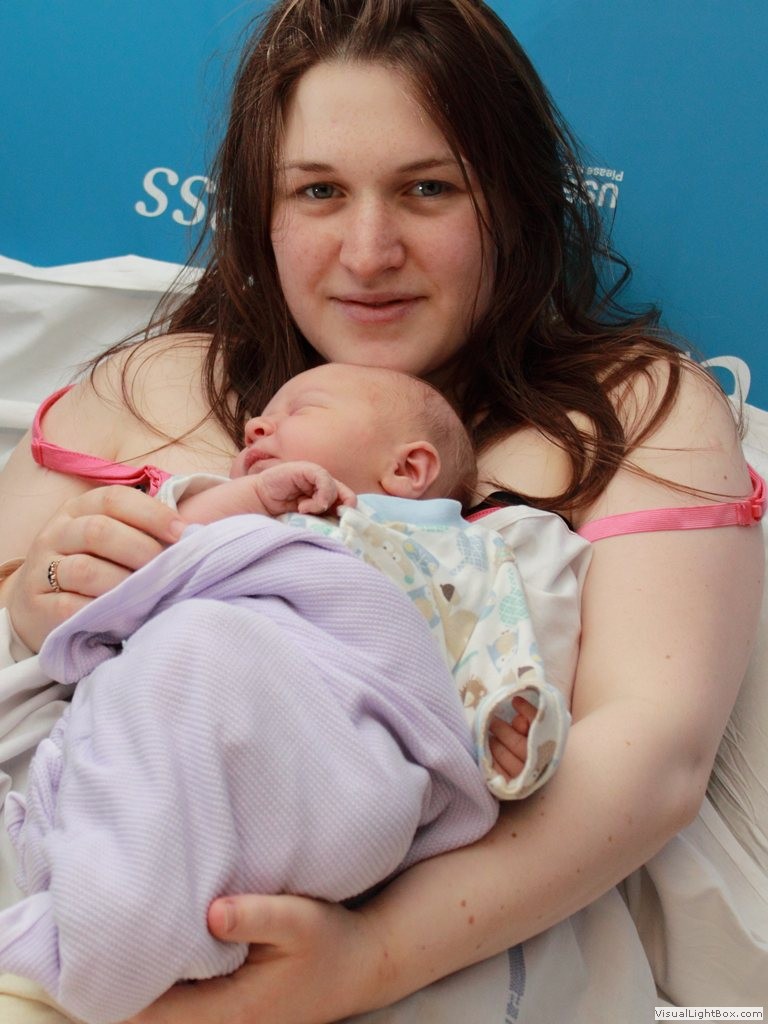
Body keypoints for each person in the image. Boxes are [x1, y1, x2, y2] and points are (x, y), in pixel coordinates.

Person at [0, 0, 763, 1020]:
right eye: (318, 191)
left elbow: (654, 757)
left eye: (428, 189)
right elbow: (18, 604)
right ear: (260, 213)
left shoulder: (631, 413)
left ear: (513, 201)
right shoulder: (156, 382)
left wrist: (366, 958)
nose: (368, 252)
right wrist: (44, 597)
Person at [0, 362, 580, 1024]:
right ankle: (139, 926)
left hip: (350, 764)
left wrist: (514, 724)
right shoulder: (247, 512)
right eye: (259, 417)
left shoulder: (465, 553)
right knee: (184, 657)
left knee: (196, 643)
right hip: (209, 719)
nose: (256, 425)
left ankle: (107, 936)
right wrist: (246, 500)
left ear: (407, 468)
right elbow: (161, 554)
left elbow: (499, 653)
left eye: (298, 410)